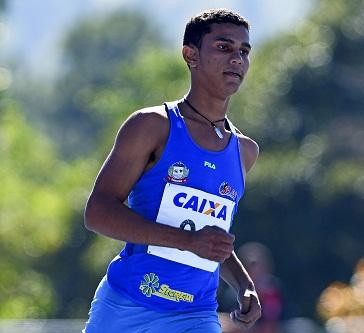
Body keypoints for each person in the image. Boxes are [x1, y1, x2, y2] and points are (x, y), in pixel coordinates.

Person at [83, 8, 261, 333]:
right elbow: (97, 212)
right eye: (224, 47)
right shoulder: (151, 126)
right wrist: (187, 241)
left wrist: (243, 284)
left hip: (195, 314)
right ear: (190, 55)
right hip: (128, 304)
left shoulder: (245, 151)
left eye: (244, 51)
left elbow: (211, 238)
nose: (237, 59)